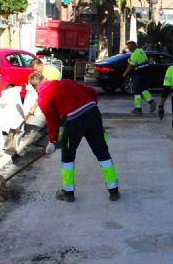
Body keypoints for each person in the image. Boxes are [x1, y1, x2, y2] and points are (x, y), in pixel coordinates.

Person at [30, 72, 120, 203]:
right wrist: (92, 110)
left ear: (35, 87)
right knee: (102, 152)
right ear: (45, 79)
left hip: (74, 121)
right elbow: (91, 91)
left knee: (67, 156)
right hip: (93, 113)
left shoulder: (42, 98)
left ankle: (68, 193)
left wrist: (52, 141)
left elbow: (51, 121)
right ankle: (114, 191)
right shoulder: (66, 82)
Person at [122, 40, 156, 116]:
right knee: (143, 90)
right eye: (128, 47)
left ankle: (138, 109)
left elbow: (131, 66)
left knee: (136, 91)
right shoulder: (141, 51)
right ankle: (151, 102)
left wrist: (125, 73)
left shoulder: (135, 54)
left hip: (140, 74)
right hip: (146, 73)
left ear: (134, 46)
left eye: (130, 47)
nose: (129, 48)